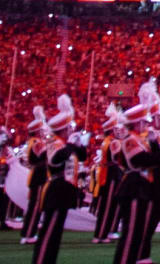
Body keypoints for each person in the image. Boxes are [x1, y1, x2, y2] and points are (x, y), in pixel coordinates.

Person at [112, 80, 160, 264]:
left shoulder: (142, 138)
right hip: (133, 186)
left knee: (138, 232)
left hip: (143, 187)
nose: (146, 125)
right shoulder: (129, 139)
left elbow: (156, 157)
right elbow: (140, 160)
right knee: (131, 233)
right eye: (144, 122)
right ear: (138, 122)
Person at [32, 94, 88, 264]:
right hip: (55, 189)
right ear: (62, 128)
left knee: (55, 235)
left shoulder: (64, 143)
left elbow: (82, 157)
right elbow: (55, 160)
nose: (70, 130)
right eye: (68, 127)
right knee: (49, 233)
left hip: (64, 190)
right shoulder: (52, 141)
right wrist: (71, 145)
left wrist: (80, 145)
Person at [91, 105, 126, 244]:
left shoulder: (109, 141)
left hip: (111, 173)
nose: (119, 131)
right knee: (108, 206)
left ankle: (107, 231)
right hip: (112, 174)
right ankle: (101, 234)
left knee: (111, 205)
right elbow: (119, 157)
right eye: (116, 129)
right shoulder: (113, 142)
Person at [19, 105, 48, 244]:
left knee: (35, 206)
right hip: (39, 176)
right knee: (35, 207)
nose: (43, 132)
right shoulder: (37, 142)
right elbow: (44, 158)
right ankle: (29, 234)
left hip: (36, 175)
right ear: (36, 131)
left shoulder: (32, 142)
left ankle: (28, 232)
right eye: (41, 129)